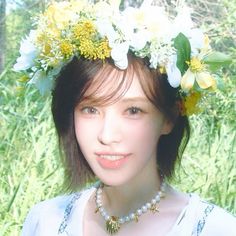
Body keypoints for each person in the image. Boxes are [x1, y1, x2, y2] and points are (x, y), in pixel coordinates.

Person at [14, 0, 235, 235]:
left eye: (133, 111)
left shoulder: (215, 228)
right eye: (90, 110)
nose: (107, 136)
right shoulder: (44, 221)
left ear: (169, 118)